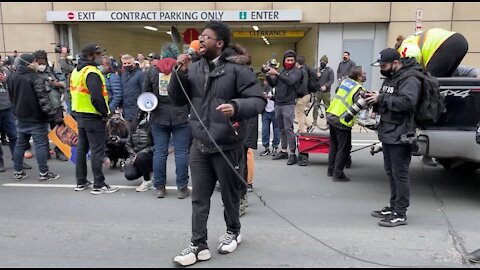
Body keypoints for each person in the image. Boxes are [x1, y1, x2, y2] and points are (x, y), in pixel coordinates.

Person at [169, 20, 266, 267]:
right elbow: (178, 99)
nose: (200, 40)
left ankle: (233, 231)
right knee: (199, 197)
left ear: (219, 43)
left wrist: (236, 107)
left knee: (230, 196)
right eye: (200, 37)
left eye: (206, 37)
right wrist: (178, 72)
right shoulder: (193, 67)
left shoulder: (238, 69)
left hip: (228, 144)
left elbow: (258, 100)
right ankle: (198, 244)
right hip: (200, 143)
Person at [396, 28, 469, 167]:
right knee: (441, 87)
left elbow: (412, 67)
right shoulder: (414, 39)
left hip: (449, 44)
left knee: (428, 91)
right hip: (459, 42)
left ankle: (425, 143)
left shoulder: (404, 47)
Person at [366, 48, 421, 227]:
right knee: (391, 173)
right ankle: (393, 206)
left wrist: (381, 98)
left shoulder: (410, 78)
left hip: (401, 133)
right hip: (389, 131)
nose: (382, 68)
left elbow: (407, 102)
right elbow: (387, 99)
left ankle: (400, 213)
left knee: (400, 174)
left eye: (384, 65)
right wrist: (374, 100)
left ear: (396, 63)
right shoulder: (391, 78)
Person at [142, 42, 191, 199]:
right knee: (182, 152)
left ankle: (160, 187)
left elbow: (145, 95)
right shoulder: (182, 69)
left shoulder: (151, 71)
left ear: (162, 54)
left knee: (160, 152)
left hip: (158, 115)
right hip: (180, 114)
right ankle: (182, 188)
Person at [71, 43, 118, 195]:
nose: (101, 57)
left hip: (80, 114)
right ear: (90, 56)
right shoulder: (92, 72)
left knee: (82, 149)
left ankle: (81, 181)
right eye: (98, 54)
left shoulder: (76, 71)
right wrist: (105, 113)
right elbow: (97, 97)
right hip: (93, 115)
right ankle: (99, 184)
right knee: (97, 150)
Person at [8, 54, 61, 181]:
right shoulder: (36, 78)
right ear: (28, 63)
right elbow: (43, 100)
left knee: (20, 144)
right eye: (35, 61)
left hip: (20, 116)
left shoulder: (12, 78)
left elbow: (11, 97)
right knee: (41, 145)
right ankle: (44, 173)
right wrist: (52, 115)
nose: (37, 63)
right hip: (37, 117)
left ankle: (18, 172)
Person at [326, 66, 366, 182]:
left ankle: (331, 169)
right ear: (358, 76)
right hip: (342, 119)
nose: (364, 75)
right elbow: (361, 103)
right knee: (344, 148)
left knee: (334, 145)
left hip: (332, 114)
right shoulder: (358, 88)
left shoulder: (346, 82)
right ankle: (338, 174)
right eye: (363, 73)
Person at [266, 50, 302, 165]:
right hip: (278, 103)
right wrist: (267, 75)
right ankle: (284, 150)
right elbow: (274, 84)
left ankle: (292, 153)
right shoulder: (281, 70)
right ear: (284, 60)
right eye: (288, 60)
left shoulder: (296, 71)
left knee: (288, 128)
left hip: (288, 103)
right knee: (281, 128)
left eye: (292, 60)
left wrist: (276, 74)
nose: (290, 62)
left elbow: (291, 81)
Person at [33, 49, 68, 162]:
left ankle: (59, 150)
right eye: (38, 61)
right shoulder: (33, 73)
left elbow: (64, 83)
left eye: (42, 61)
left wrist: (54, 83)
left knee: (58, 129)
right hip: (40, 105)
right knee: (41, 130)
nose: (41, 64)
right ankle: (45, 151)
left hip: (55, 104)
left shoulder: (53, 70)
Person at [124, 111, 154, 192]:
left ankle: (147, 180)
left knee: (141, 157)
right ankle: (145, 171)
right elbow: (128, 144)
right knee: (129, 175)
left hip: (149, 156)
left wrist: (140, 154)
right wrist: (133, 155)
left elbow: (157, 146)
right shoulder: (133, 127)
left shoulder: (152, 126)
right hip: (136, 156)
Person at [120, 54, 145, 129]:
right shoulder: (123, 75)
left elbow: (143, 90)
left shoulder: (140, 74)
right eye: (124, 63)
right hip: (126, 109)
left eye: (128, 63)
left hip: (136, 108)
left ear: (133, 64)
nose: (126, 65)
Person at [260, 78, 280, 156]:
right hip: (265, 111)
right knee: (265, 130)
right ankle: (266, 148)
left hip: (276, 111)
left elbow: (280, 99)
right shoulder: (265, 87)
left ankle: (275, 147)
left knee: (276, 131)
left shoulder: (279, 87)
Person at [313, 55, 334, 125]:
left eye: (324, 61)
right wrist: (316, 76)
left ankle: (328, 122)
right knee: (316, 106)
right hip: (317, 91)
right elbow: (312, 80)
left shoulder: (330, 70)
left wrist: (325, 86)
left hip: (326, 92)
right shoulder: (316, 70)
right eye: (321, 61)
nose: (322, 62)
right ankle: (315, 121)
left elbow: (331, 80)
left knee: (327, 107)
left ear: (326, 62)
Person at [294, 56, 312, 133]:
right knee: (301, 112)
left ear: (297, 63)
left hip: (302, 96)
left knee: (299, 114)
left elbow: (301, 86)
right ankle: (309, 125)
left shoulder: (300, 72)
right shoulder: (304, 71)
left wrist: (296, 95)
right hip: (307, 94)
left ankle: (301, 130)